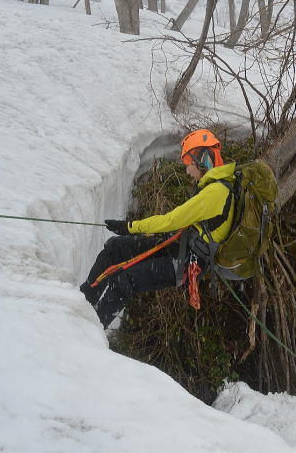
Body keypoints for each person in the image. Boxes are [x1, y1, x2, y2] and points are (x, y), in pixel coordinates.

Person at [80, 129, 235, 329]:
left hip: (187, 262)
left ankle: (89, 330)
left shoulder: (216, 192)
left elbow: (171, 220)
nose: (187, 170)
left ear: (202, 158)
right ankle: (84, 301)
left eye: (189, 163)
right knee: (115, 248)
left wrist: (130, 227)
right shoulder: (213, 186)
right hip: (180, 249)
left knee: (124, 281)